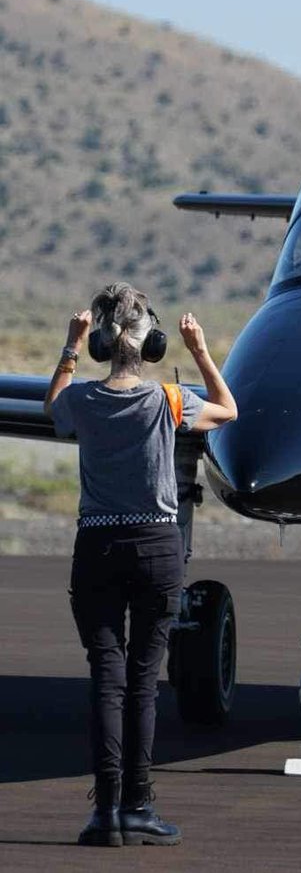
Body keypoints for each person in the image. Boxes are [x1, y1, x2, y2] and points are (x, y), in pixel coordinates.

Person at [44, 282, 238, 847]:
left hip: (97, 549)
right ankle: (139, 805)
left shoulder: (82, 399)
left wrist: (70, 346)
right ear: (149, 343)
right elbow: (228, 409)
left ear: (104, 343)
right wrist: (200, 350)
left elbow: (53, 407)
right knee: (143, 682)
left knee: (106, 678)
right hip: (158, 549)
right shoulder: (170, 401)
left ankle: (105, 813)